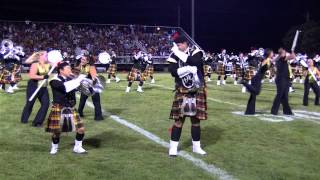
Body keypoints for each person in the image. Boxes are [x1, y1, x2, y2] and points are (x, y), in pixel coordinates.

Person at [167, 36, 207, 156]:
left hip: (196, 90)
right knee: (179, 121)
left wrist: (178, 53)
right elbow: (173, 72)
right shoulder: (173, 55)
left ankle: (196, 147)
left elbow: (196, 62)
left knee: (196, 121)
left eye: (179, 45)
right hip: (182, 90)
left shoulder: (196, 51)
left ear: (185, 43)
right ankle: (173, 148)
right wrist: (188, 69)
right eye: (177, 45)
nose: (177, 47)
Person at [46, 62, 87, 155]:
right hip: (59, 107)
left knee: (81, 129)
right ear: (61, 70)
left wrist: (89, 85)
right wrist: (78, 79)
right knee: (56, 132)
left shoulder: (71, 79)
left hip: (70, 107)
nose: (70, 70)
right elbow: (65, 88)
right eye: (67, 68)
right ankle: (54, 147)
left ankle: (77, 147)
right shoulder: (54, 80)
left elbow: (82, 89)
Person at [21, 51, 50, 127]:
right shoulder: (35, 64)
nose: (47, 56)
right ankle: (24, 119)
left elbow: (57, 63)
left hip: (43, 87)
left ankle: (37, 122)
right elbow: (32, 75)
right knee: (30, 103)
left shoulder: (48, 63)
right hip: (33, 86)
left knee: (46, 104)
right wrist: (42, 77)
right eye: (46, 55)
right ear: (41, 56)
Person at [242, 49, 274, 114]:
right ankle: (245, 83)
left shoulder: (268, 60)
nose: (273, 54)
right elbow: (264, 65)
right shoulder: (267, 60)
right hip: (257, 78)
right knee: (257, 92)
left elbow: (272, 63)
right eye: (272, 53)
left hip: (257, 78)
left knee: (253, 96)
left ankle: (250, 111)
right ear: (269, 54)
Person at [73, 53, 104, 121]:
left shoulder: (91, 67)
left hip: (93, 86)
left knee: (95, 102)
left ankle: (98, 117)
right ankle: (81, 113)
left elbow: (94, 77)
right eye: (81, 59)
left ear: (87, 61)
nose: (82, 60)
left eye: (84, 59)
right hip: (85, 86)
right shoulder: (80, 66)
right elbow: (75, 75)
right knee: (82, 101)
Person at [271, 48, 295, 115]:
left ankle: (287, 111)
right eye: (285, 52)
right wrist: (292, 51)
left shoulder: (279, 58)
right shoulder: (282, 58)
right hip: (281, 79)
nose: (286, 53)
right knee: (280, 95)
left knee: (285, 96)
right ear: (282, 53)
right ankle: (274, 111)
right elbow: (293, 56)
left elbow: (274, 60)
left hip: (285, 79)